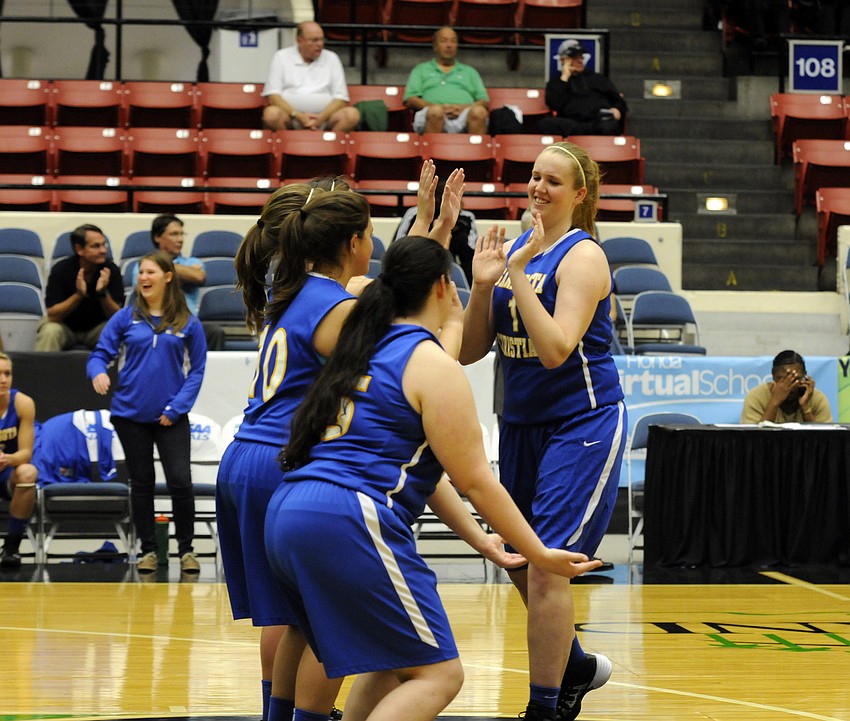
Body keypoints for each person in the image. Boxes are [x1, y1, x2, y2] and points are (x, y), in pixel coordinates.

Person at [265, 234, 601, 721]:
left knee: (393, 661)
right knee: (440, 675)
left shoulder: (360, 350)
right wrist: (538, 552)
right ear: (445, 287)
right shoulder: (431, 367)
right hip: (349, 516)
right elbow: (477, 481)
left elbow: (436, 472)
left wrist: (485, 543)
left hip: (289, 509)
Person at [217, 170, 465, 721]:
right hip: (283, 462)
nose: (374, 243)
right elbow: (409, 335)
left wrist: (431, 232)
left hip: (246, 455)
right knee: (317, 622)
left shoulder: (296, 289)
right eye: (371, 233)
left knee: (295, 617)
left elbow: (387, 289)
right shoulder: (336, 307)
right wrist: (449, 315)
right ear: (350, 241)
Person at [458, 141, 628, 721]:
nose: (538, 188)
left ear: (579, 195)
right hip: (523, 425)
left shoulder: (583, 257)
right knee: (517, 558)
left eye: (553, 181)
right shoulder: (521, 249)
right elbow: (470, 351)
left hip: (582, 420)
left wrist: (520, 275)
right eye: (534, 177)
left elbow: (556, 349)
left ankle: (546, 707)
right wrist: (485, 284)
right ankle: (574, 664)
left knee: (549, 561)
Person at [88, 251, 207, 576]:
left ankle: (186, 550)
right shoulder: (126, 318)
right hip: (129, 416)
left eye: (150, 271)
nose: (143, 277)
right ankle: (148, 551)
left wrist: (176, 408)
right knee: (142, 483)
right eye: (140, 272)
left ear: (168, 277)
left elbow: (197, 371)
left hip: (172, 418)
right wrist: (97, 371)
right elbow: (99, 354)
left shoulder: (188, 322)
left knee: (181, 481)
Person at [132, 214, 226, 351]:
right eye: (174, 234)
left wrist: (161, 267)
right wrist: (183, 273)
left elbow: (199, 277)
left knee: (215, 332)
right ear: (157, 237)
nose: (180, 239)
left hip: (187, 322)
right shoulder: (141, 265)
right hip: (155, 322)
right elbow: (140, 289)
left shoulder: (192, 262)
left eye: (182, 234)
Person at [36, 224, 124, 352]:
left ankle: (115, 372)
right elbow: (53, 316)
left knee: (115, 331)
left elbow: (118, 317)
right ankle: (42, 372)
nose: (103, 250)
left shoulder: (111, 270)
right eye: (96, 246)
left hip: (96, 328)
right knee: (50, 331)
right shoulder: (61, 270)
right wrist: (78, 295)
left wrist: (103, 293)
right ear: (79, 249)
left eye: (104, 245)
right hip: (65, 328)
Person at [261, 21, 360, 132]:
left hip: (326, 118)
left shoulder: (332, 58)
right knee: (271, 114)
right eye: (314, 40)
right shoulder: (281, 57)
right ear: (299, 41)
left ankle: (329, 146)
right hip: (290, 117)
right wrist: (298, 116)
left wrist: (321, 118)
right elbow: (273, 96)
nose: (320, 44)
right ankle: (286, 146)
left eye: (322, 39)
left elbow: (341, 99)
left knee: (352, 115)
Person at [403, 26, 489, 135]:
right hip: (432, 113)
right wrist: (437, 107)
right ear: (435, 46)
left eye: (453, 41)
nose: (449, 45)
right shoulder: (421, 69)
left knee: (479, 112)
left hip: (464, 114)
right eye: (444, 41)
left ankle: (476, 151)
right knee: (436, 112)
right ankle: (431, 151)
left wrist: (462, 108)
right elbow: (410, 99)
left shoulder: (470, 71)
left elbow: (484, 101)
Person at [536, 39, 628, 138]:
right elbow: (554, 104)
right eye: (575, 57)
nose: (580, 61)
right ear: (563, 60)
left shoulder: (598, 79)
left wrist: (617, 109)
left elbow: (618, 100)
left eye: (581, 56)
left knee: (610, 126)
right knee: (546, 124)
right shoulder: (556, 82)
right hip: (572, 124)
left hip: (598, 121)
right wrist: (565, 78)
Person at [0, 352, 37, 569]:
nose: (3, 379)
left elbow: (25, 453)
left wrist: (7, 458)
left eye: (7, 373)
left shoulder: (23, 403)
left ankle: (12, 547)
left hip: (7, 472)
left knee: (28, 472)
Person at [740, 350, 833, 424]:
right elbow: (753, 440)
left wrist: (805, 407)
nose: (790, 385)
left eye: (796, 379)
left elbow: (823, 441)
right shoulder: (756, 397)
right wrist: (774, 402)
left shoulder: (817, 398)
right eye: (783, 379)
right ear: (773, 376)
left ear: (805, 376)